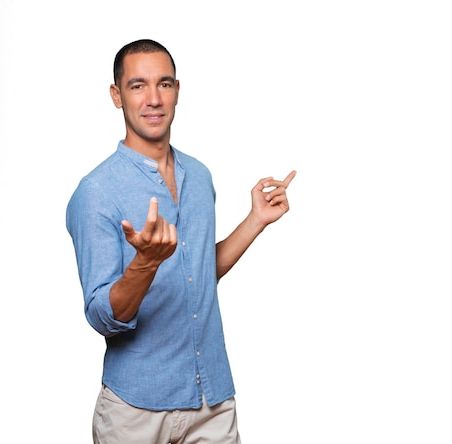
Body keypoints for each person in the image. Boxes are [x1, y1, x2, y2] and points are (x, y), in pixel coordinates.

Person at [66, 38, 296, 444]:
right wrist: (146, 263)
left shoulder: (199, 175)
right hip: (135, 411)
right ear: (117, 96)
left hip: (211, 400)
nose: (153, 98)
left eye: (164, 84)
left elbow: (199, 273)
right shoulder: (96, 192)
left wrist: (255, 220)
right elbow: (102, 317)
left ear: (177, 91)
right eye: (138, 86)